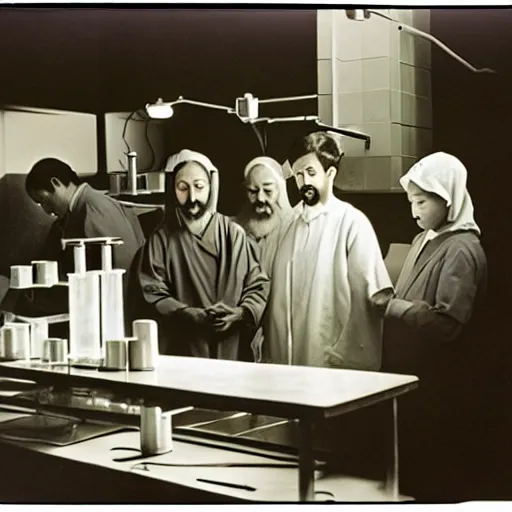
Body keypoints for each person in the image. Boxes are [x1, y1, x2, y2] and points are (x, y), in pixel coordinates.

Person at [372, 152, 488, 502]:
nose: (414, 211)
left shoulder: (462, 250)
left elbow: (446, 324)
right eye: (411, 202)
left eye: (421, 202)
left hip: (437, 383)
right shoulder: (426, 237)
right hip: (410, 378)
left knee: (431, 472)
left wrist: (395, 307)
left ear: (447, 197)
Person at [264, 132, 393, 370]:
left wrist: (345, 354)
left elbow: (375, 297)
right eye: (298, 175)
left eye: (311, 173)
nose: (304, 182)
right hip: (285, 363)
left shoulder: (351, 223)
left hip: (332, 362)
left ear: (330, 173)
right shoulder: (287, 224)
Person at [131, 149, 270, 360]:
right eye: (182, 188)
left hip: (230, 349)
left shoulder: (233, 234)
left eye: (199, 186)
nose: (192, 197)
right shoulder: (160, 240)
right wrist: (185, 313)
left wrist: (240, 313)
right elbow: (151, 292)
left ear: (211, 188)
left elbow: (257, 285)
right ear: (172, 189)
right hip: (183, 351)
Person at [21, 158, 145, 316]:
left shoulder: (91, 211)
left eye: (44, 201)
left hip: (118, 307)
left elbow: (104, 274)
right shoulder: (100, 203)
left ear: (56, 183)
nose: (47, 210)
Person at [234, 156, 294, 362]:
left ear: (280, 191)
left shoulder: (294, 230)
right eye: (253, 191)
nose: (260, 198)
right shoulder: (234, 230)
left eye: (268, 191)